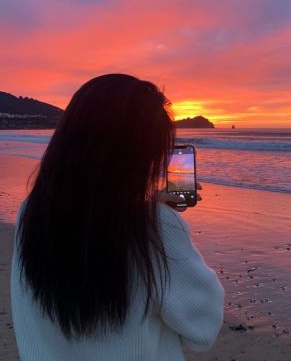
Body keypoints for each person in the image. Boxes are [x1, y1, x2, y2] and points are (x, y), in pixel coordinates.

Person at [10, 74, 224, 361]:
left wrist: (147, 209)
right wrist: (159, 219)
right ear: (138, 158)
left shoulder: (31, 213)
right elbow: (202, 329)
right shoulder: (156, 227)